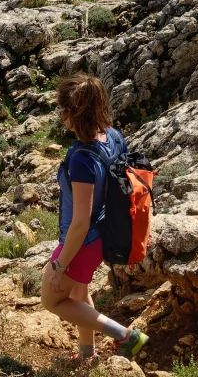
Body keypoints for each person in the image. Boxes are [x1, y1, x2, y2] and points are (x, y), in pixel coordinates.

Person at [40, 71, 147, 361]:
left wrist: (60, 264)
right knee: (79, 293)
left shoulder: (82, 159)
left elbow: (80, 221)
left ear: (71, 114)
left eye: (61, 110)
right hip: (104, 232)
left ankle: (126, 335)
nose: (60, 116)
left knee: (51, 300)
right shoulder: (113, 137)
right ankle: (87, 354)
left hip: (82, 242)